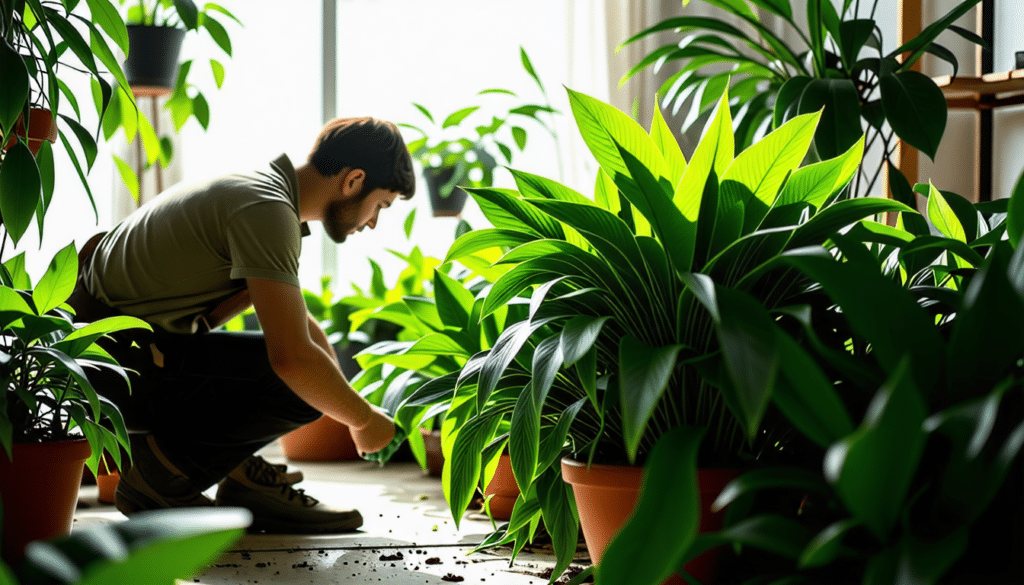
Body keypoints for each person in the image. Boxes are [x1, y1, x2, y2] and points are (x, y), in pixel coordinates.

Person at [69, 117, 415, 534]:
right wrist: (363, 420)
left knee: (302, 371)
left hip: (115, 358)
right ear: (354, 180)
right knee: (291, 380)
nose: (374, 221)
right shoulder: (266, 211)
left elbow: (302, 331)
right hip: (114, 368)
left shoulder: (258, 192)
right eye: (382, 204)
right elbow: (292, 359)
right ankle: (160, 479)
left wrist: (350, 408)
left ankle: (239, 477)